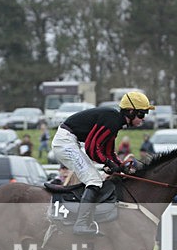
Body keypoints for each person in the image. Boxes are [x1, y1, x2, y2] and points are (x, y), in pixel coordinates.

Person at [51, 91, 154, 235]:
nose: (143, 119)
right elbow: (92, 148)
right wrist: (109, 164)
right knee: (93, 180)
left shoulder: (115, 121)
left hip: (70, 141)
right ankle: (80, 224)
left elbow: (109, 151)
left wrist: (118, 165)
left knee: (95, 179)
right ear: (131, 111)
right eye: (142, 114)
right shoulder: (112, 120)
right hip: (66, 142)